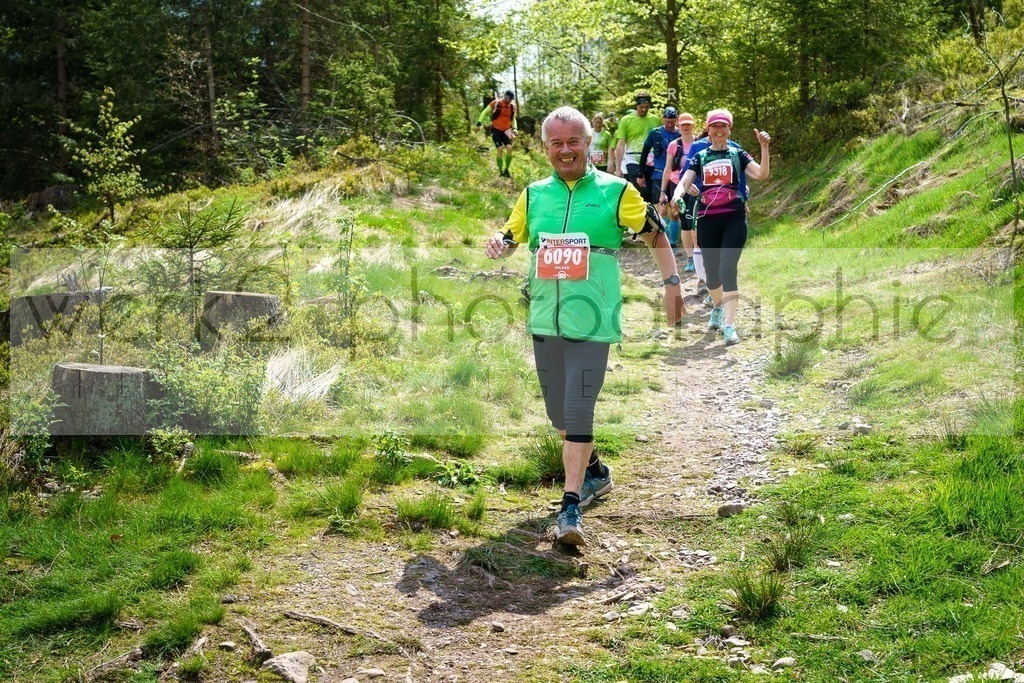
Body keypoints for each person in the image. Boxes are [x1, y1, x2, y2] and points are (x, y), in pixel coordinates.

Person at [485, 106, 684, 546]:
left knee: (578, 408)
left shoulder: (616, 192)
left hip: (593, 319)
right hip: (544, 315)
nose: (565, 150)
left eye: (573, 141)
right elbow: (513, 234)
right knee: (559, 414)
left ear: (588, 143)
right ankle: (594, 472)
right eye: (556, 143)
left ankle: (570, 506)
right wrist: (500, 242)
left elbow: (654, 233)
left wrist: (672, 285)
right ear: (545, 148)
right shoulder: (534, 194)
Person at [672, 108, 770, 346]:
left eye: (723, 126)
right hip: (707, 220)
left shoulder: (738, 154)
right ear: (708, 129)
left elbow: (762, 174)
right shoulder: (700, 156)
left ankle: (729, 324)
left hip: (734, 218)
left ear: (729, 130)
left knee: (728, 269)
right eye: (714, 126)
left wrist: (764, 148)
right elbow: (684, 181)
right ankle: (717, 305)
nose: (718, 130)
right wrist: (676, 196)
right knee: (712, 275)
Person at [661, 112, 697, 265]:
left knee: (695, 222)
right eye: (683, 125)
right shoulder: (674, 145)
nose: (686, 127)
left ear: (693, 125)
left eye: (689, 124)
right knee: (683, 220)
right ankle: (690, 258)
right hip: (677, 186)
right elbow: (667, 169)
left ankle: (698, 256)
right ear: (679, 126)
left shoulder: (700, 143)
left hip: (696, 187)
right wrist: (663, 192)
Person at [612, 93, 660, 195]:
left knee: (650, 191)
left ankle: (648, 209)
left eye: (646, 107)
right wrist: (618, 168)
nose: (644, 110)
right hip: (632, 157)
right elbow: (620, 144)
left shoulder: (655, 119)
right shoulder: (626, 120)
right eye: (641, 107)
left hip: (650, 158)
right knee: (639, 187)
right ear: (636, 106)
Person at [639, 107, 681, 204]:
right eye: (667, 122)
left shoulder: (680, 134)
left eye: (672, 122)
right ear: (663, 119)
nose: (670, 125)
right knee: (662, 205)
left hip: (675, 175)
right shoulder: (655, 133)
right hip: (659, 174)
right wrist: (640, 174)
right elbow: (644, 153)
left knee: (675, 206)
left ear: (676, 120)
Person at [476, 90, 518, 177]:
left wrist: (515, 128)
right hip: (496, 130)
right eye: (508, 98)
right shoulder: (496, 103)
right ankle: (500, 171)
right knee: (500, 149)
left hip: (507, 131)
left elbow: (513, 119)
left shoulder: (512, 106)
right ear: (505, 96)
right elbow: (484, 112)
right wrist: (479, 123)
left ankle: (506, 170)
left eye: (510, 99)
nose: (509, 100)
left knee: (509, 148)